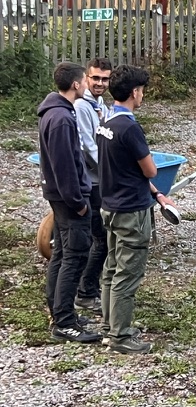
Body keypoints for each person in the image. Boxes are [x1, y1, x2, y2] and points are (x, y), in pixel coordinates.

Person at [97, 65, 175, 354]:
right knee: (127, 273)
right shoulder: (129, 127)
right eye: (142, 91)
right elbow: (150, 169)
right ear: (134, 92)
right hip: (131, 209)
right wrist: (154, 186)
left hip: (110, 205)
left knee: (111, 268)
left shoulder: (106, 120)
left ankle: (109, 326)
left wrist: (156, 194)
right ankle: (120, 335)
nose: (142, 96)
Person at [38, 62, 98, 343]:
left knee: (62, 255)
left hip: (60, 197)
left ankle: (59, 311)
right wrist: (79, 202)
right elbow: (64, 166)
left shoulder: (56, 112)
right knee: (74, 257)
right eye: (85, 80)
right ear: (76, 84)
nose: (87, 84)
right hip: (69, 200)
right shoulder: (61, 118)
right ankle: (64, 323)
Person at [72, 57, 112, 318]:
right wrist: (113, 170)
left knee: (103, 239)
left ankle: (91, 288)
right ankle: (85, 293)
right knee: (101, 239)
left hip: (102, 180)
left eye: (104, 79)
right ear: (86, 78)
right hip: (92, 182)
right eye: (95, 78)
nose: (100, 83)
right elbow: (88, 147)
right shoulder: (81, 107)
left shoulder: (100, 105)